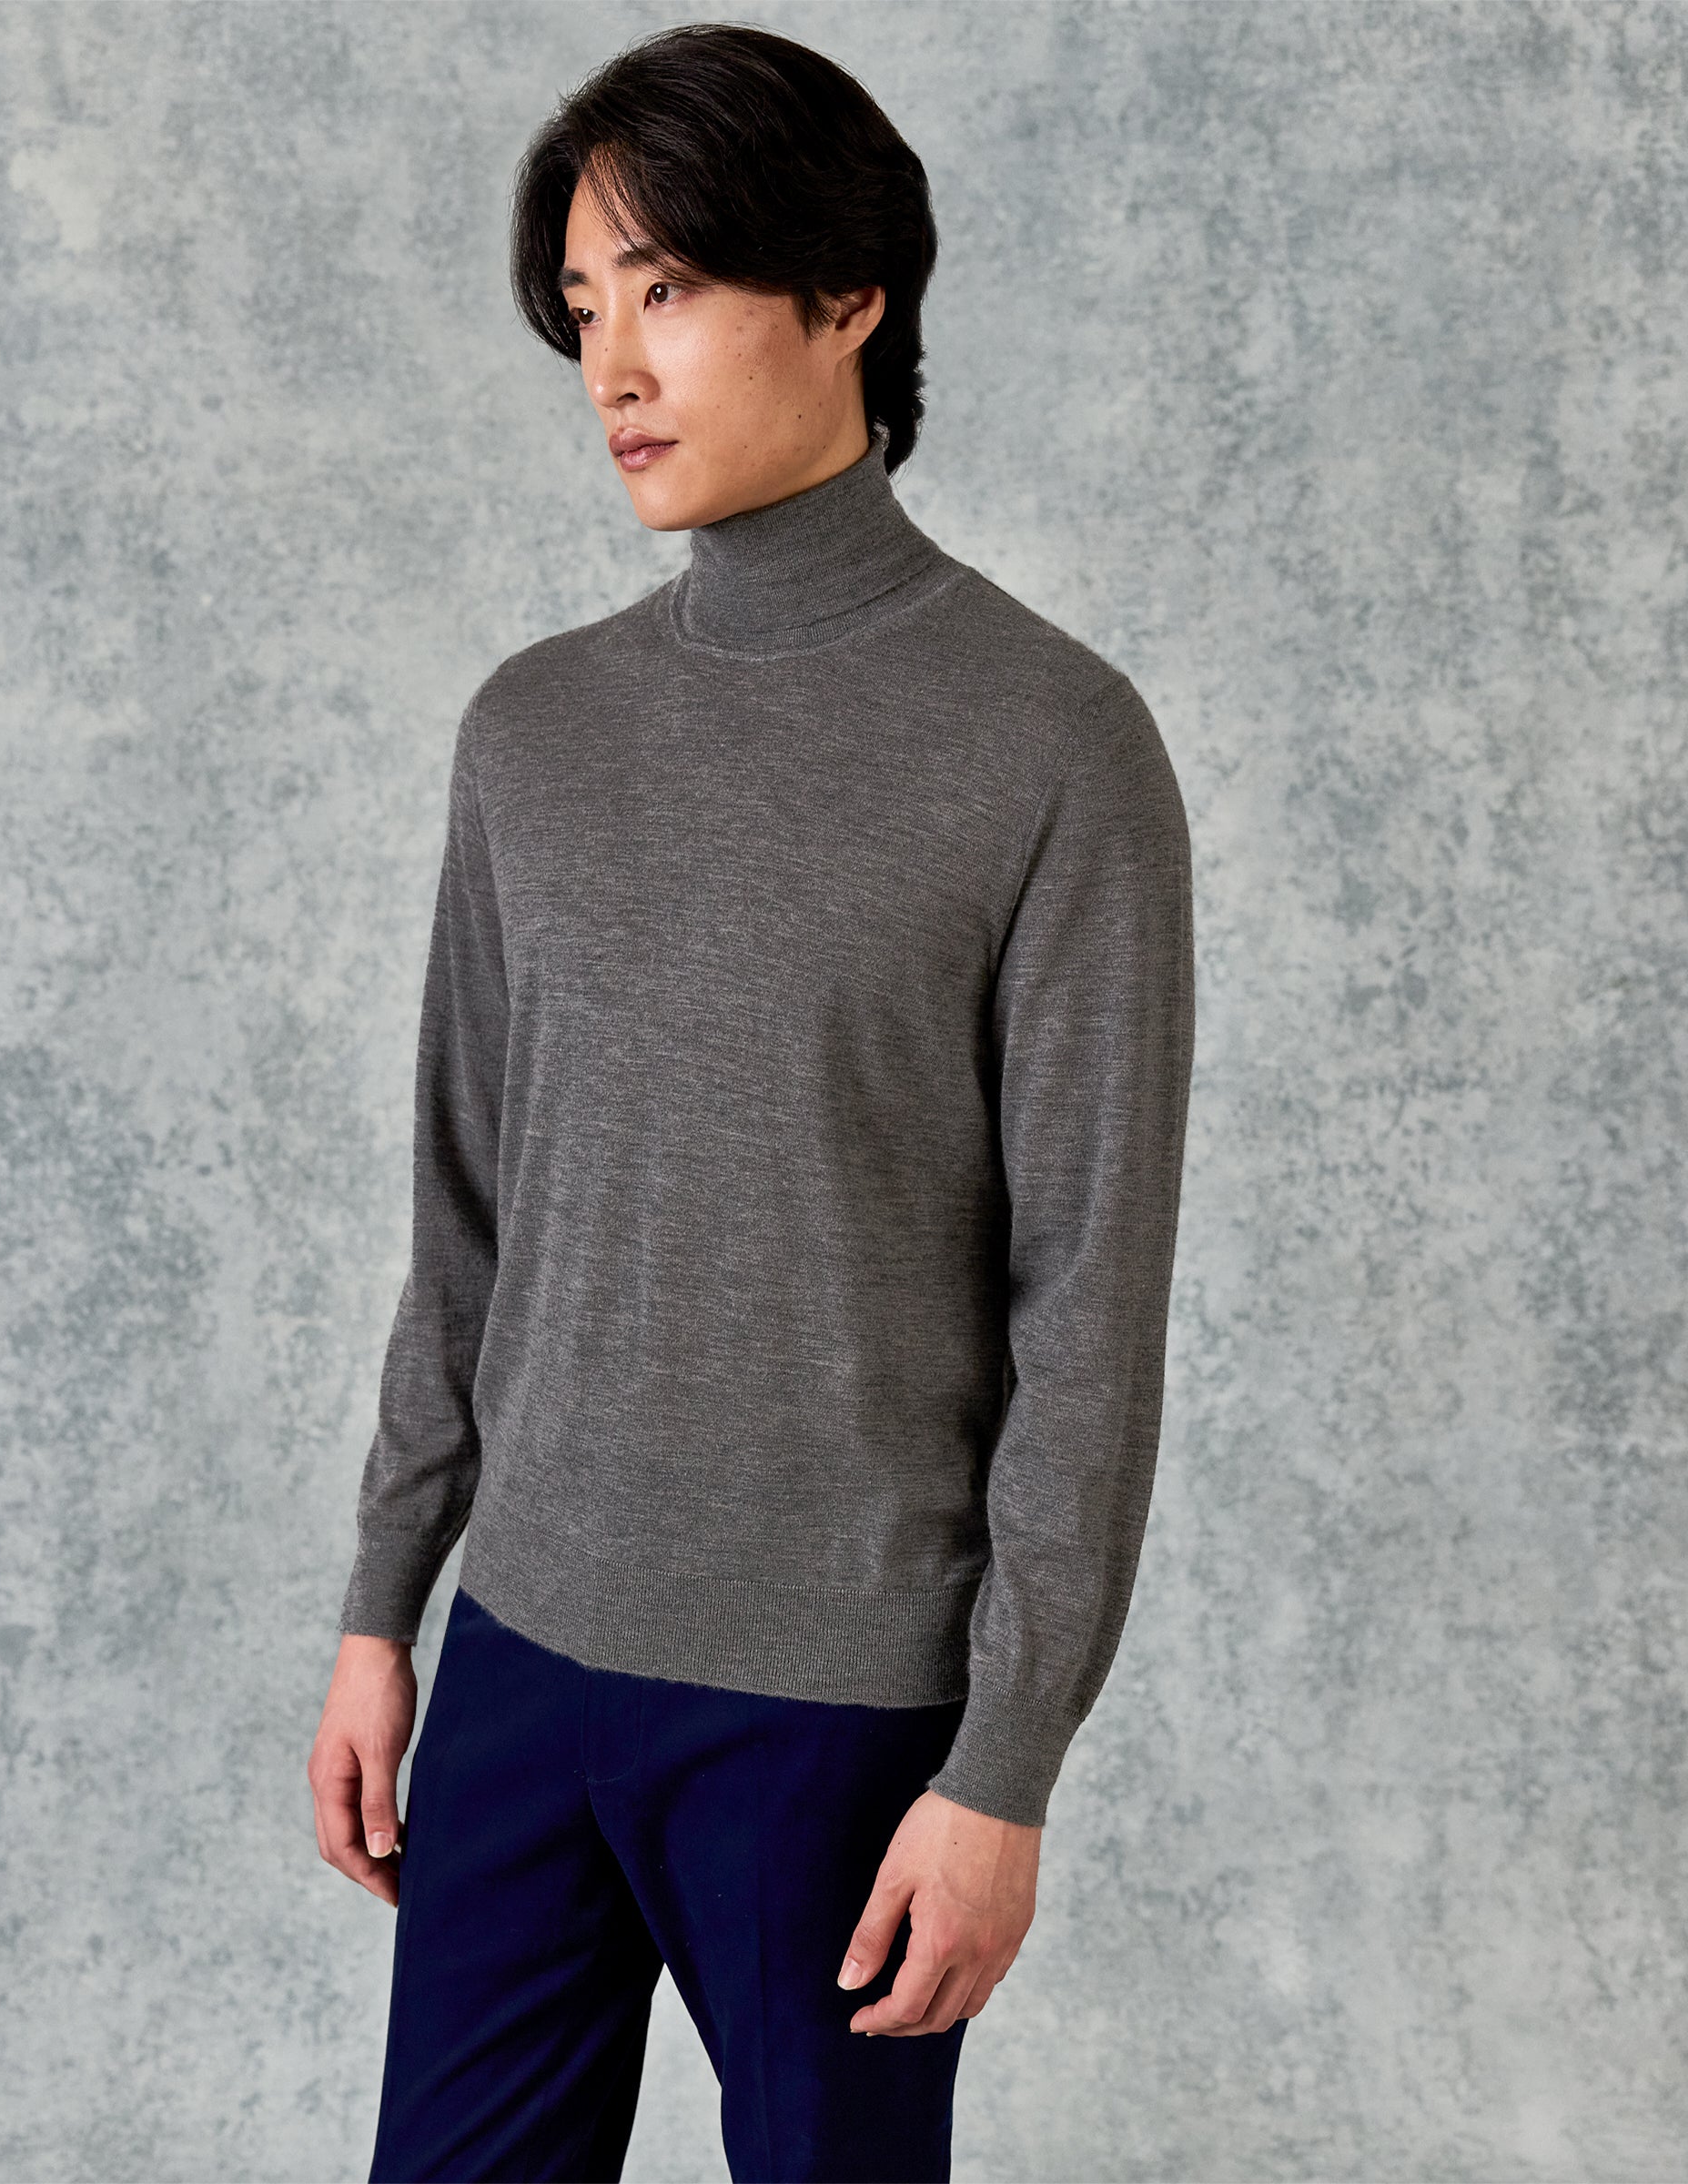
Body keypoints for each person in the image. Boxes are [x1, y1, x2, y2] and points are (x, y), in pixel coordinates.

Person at [306, 22, 1195, 2183]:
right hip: (520, 1663)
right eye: (583, 308)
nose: (612, 366)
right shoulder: (533, 733)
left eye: (670, 287)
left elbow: (1087, 1314)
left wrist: (1005, 1769)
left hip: (837, 1718)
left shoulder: (1053, 747)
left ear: (849, 291)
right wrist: (381, 1608)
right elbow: (467, 1217)